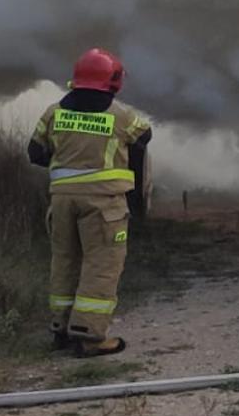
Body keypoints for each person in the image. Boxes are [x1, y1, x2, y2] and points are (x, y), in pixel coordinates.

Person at [27, 48, 152, 358]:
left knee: (65, 261)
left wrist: (70, 159)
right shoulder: (121, 116)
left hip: (62, 201)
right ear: (113, 81)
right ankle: (91, 337)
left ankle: (62, 329)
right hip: (103, 204)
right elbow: (144, 136)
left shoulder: (54, 112)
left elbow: (35, 152)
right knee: (102, 265)